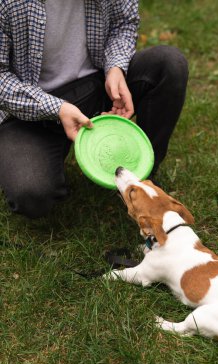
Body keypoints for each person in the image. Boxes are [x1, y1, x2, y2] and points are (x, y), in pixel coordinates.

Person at [0, 0, 188, 219]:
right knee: (32, 195)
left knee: (169, 64)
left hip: (96, 86)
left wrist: (116, 68)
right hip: (27, 113)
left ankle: (140, 179)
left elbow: (123, 22)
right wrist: (56, 108)